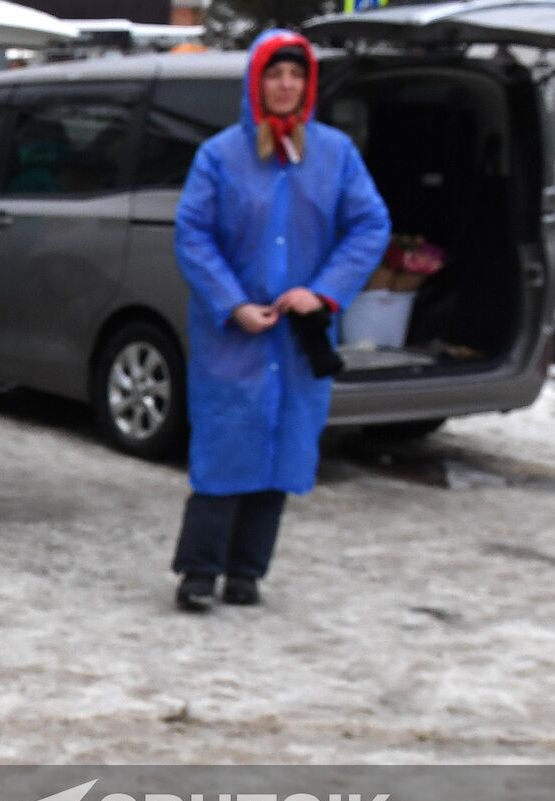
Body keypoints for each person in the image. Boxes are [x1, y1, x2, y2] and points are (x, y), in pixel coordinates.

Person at [170, 29, 391, 612]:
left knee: (281, 452)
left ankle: (247, 572)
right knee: (224, 451)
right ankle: (199, 571)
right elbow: (193, 236)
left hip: (298, 338)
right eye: (275, 73)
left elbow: (370, 226)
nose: (286, 84)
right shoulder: (220, 156)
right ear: (257, 81)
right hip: (233, 336)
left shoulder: (335, 154)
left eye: (296, 74)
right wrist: (232, 302)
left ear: (308, 83)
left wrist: (323, 293)